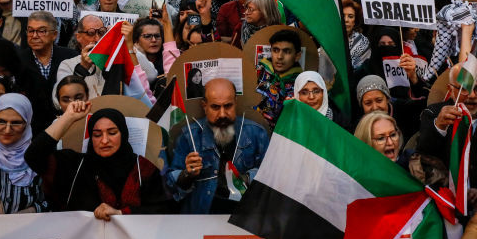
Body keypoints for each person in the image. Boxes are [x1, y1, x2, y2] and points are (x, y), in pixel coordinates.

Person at [26, 101, 175, 217]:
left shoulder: (143, 168)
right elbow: (33, 156)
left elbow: (162, 210)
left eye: (112, 133)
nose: (104, 140)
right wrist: (68, 117)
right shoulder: (74, 165)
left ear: (123, 134)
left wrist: (120, 213)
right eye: (97, 135)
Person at [166, 78, 269, 213]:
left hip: (243, 216)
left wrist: (248, 178)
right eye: (215, 107)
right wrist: (187, 174)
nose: (222, 114)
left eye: (228, 106)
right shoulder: (189, 136)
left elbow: (271, 177)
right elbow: (171, 186)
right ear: (204, 106)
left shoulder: (256, 133)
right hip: (203, 215)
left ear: (235, 103)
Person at [417, 62, 477, 195]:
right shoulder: (433, 114)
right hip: (441, 196)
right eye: (464, 88)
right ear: (450, 90)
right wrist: (439, 126)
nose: (472, 95)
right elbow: (422, 157)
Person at [254, 28, 303, 127]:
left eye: (287, 51)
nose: (280, 56)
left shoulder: (301, 84)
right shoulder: (258, 71)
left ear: (297, 56)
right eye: (275, 50)